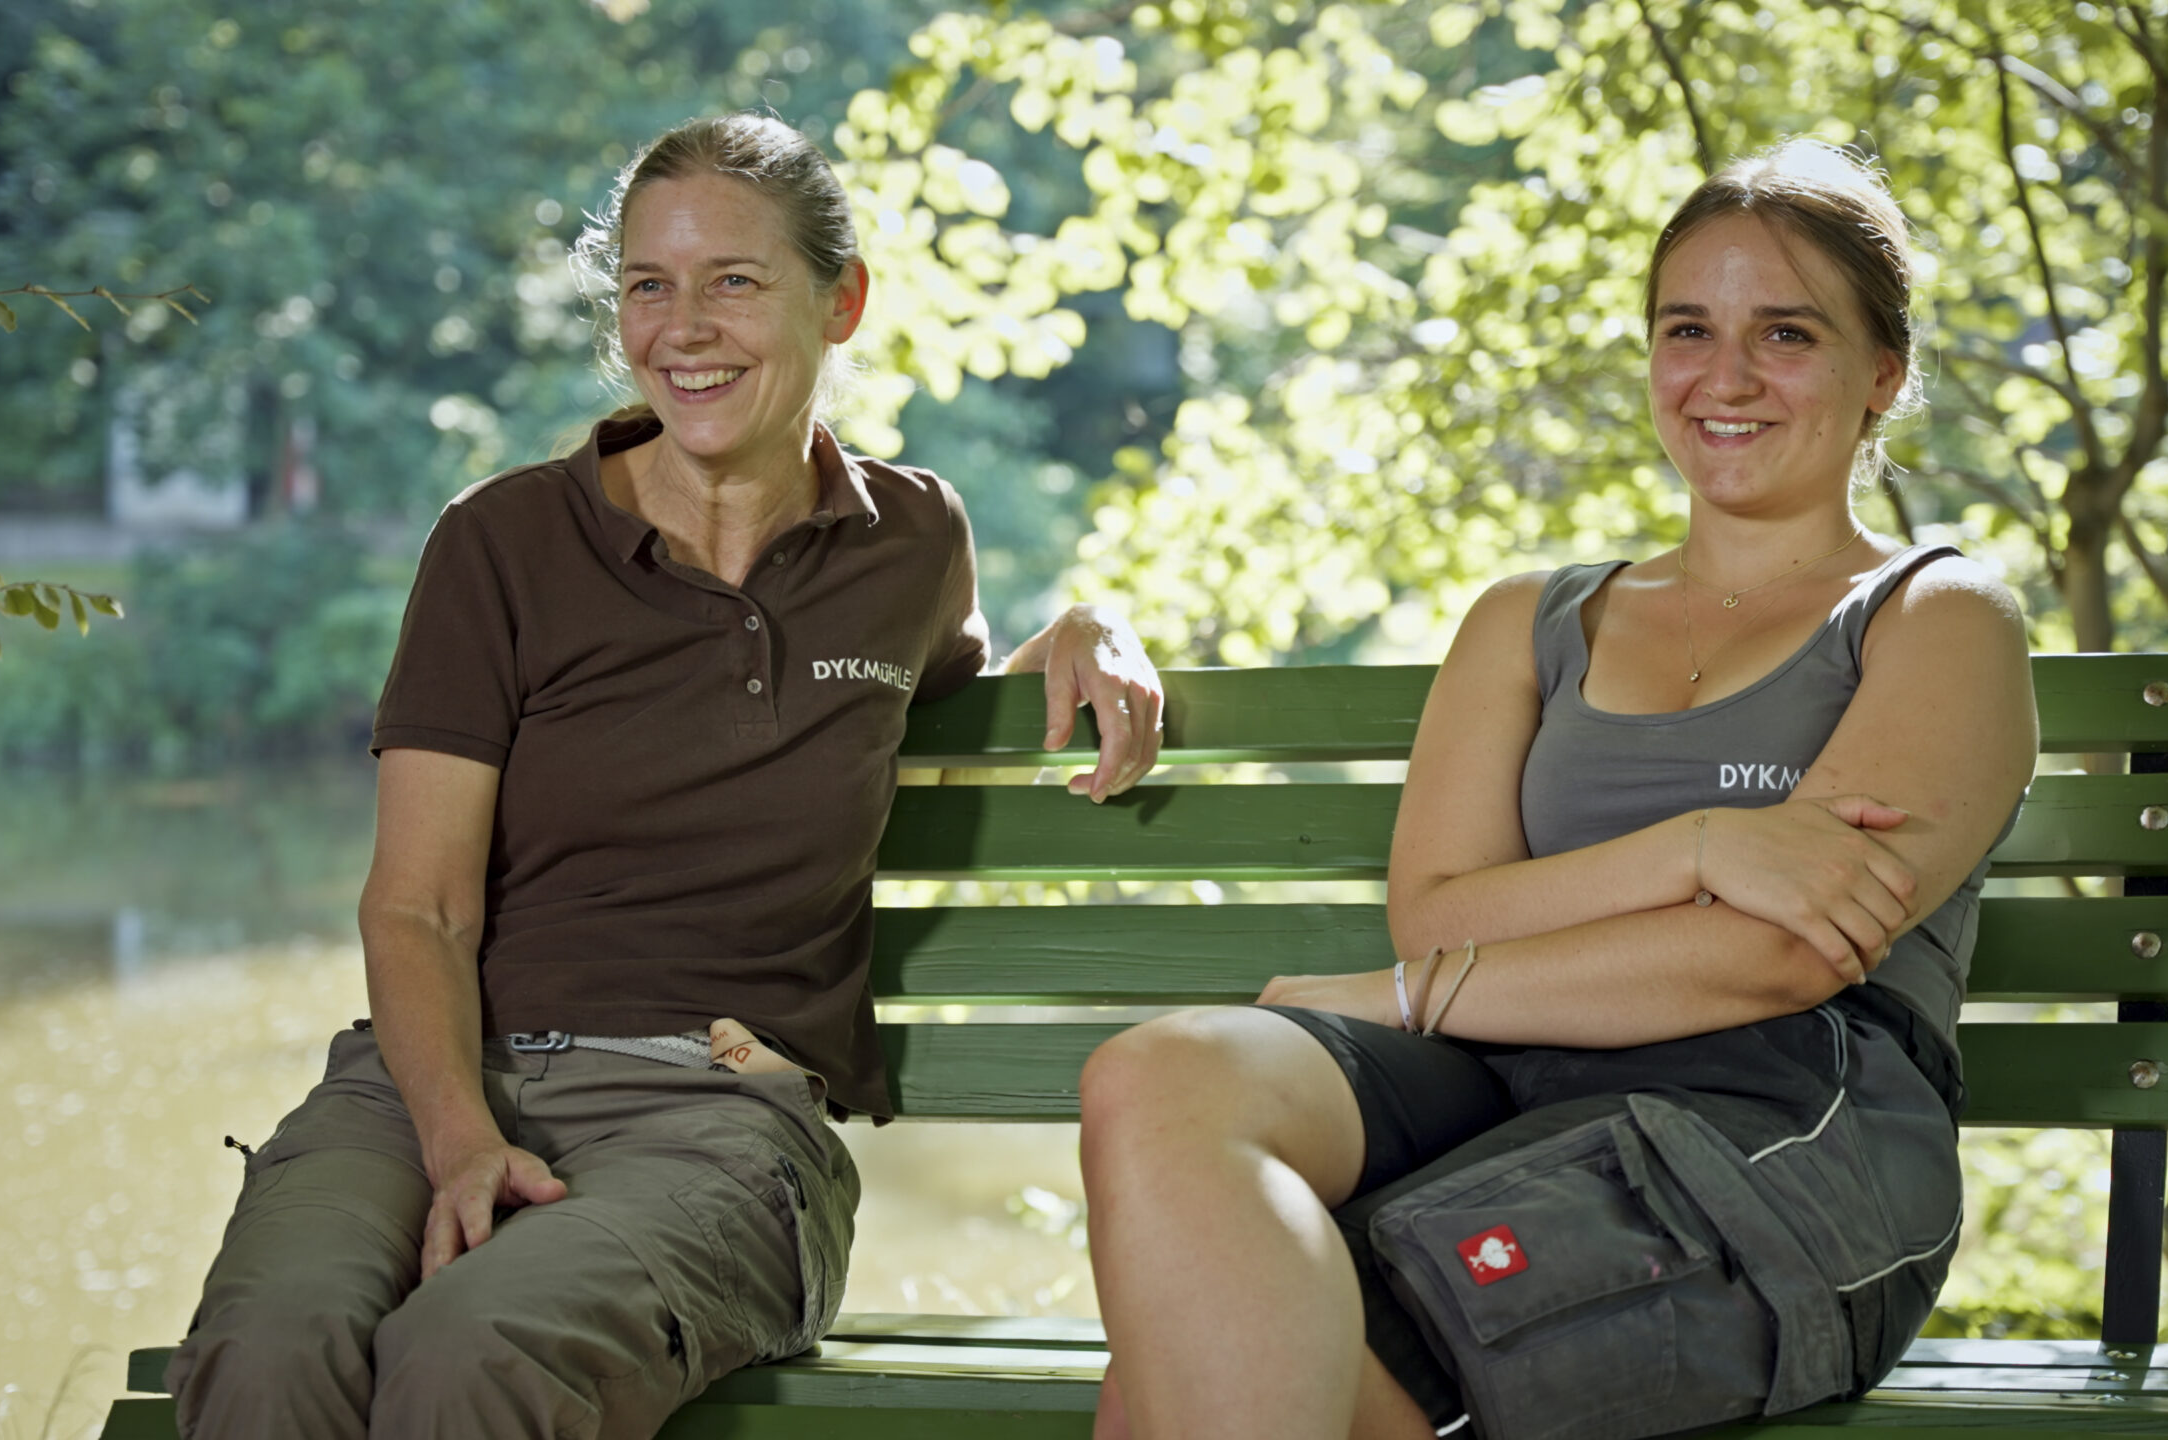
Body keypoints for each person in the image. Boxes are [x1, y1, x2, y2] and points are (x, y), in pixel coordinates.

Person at [163, 112, 1165, 1440]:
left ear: (841, 302)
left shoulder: (910, 538)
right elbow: (416, 908)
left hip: (718, 1117)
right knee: (273, 1350)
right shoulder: (503, 543)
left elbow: (946, 700)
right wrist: (461, 1139)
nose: (682, 328)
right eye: (648, 284)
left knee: (473, 1354)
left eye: (732, 280)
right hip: (426, 1088)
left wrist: (1087, 626)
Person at [1077, 139, 2035, 1440]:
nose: (1726, 377)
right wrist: (1702, 845)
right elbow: (1438, 909)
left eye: (1787, 334)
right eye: (1687, 330)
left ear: (1883, 372)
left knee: (1196, 1364)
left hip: (1774, 1119)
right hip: (1494, 1082)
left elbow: (1778, 956)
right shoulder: (1531, 620)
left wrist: (1413, 993)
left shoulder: (1938, 616)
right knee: (1164, 1076)